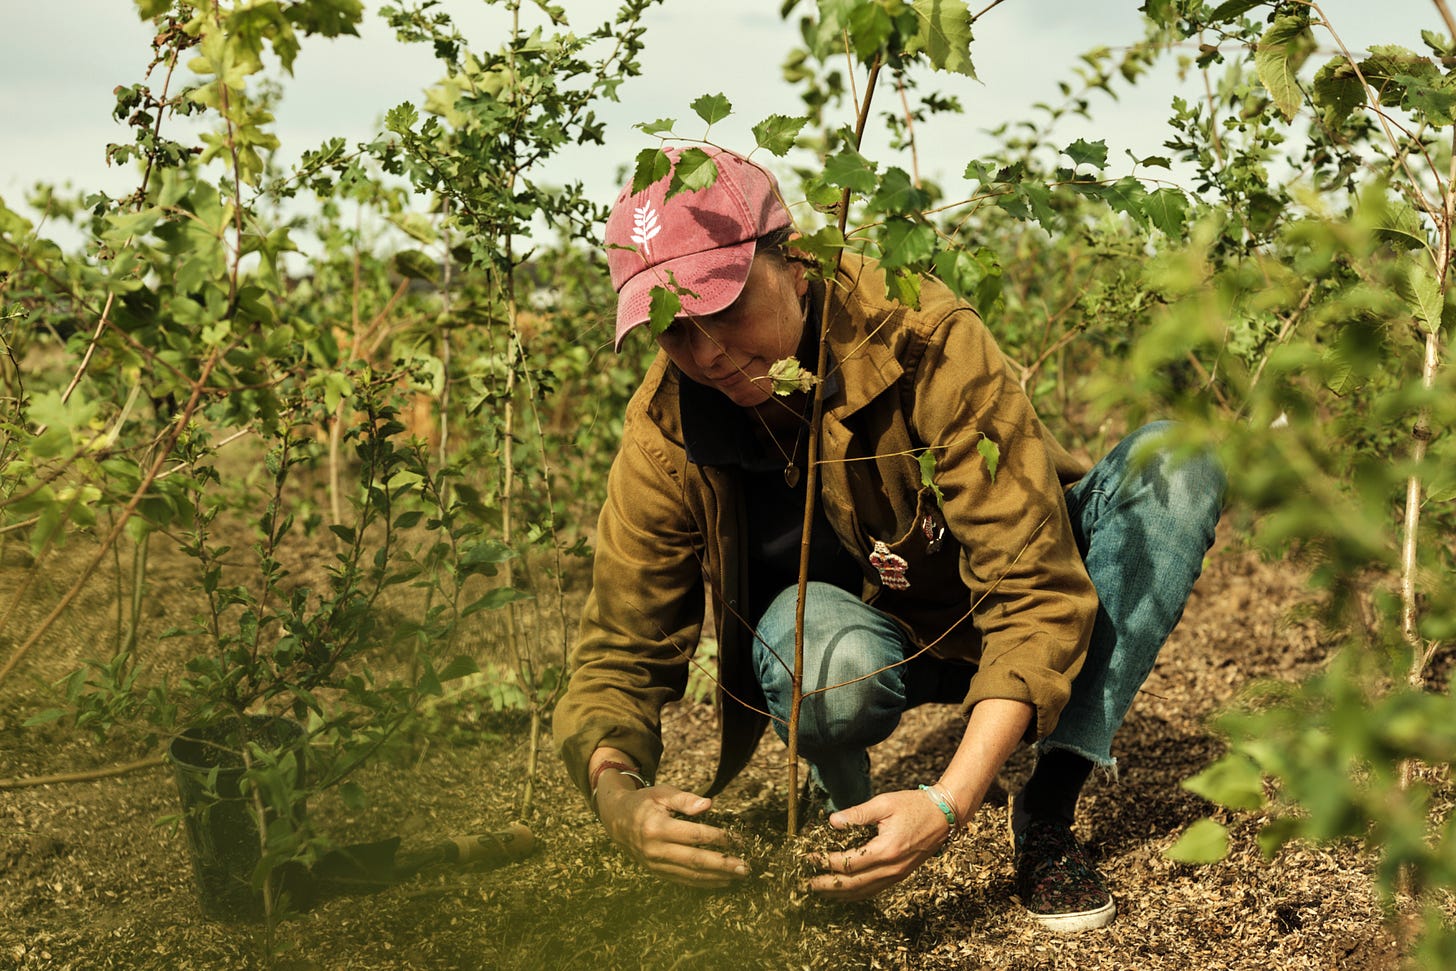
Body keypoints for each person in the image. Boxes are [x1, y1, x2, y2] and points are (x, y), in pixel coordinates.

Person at [553, 146, 1225, 932]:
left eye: (724, 307)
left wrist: (951, 798)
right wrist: (617, 792)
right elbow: (620, 646)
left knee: (1181, 461)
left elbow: (1033, 585)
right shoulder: (665, 426)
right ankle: (853, 822)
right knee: (811, 651)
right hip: (880, 640)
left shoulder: (918, 333)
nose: (708, 354)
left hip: (1003, 602)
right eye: (672, 331)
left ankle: (1048, 800)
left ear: (793, 260)